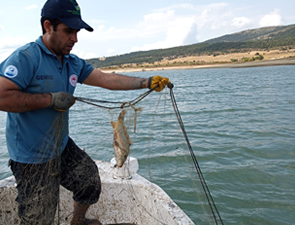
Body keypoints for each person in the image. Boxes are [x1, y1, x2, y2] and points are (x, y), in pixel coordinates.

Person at [0, 0, 170, 225]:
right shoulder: (26, 58)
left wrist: (146, 82)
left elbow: (106, 79)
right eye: (69, 31)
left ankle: (78, 222)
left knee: (89, 180)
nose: (75, 38)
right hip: (31, 156)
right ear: (48, 26)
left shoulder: (72, 62)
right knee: (38, 218)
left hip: (60, 146)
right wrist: (50, 100)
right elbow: (2, 96)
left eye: (77, 32)